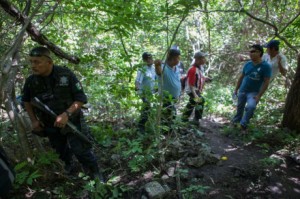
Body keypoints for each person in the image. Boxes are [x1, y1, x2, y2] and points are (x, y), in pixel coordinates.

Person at [22, 46, 103, 181]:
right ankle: (70, 170)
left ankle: (95, 173)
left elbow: (81, 98)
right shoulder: (31, 81)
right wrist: (34, 120)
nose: (33, 66)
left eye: (37, 62)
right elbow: (26, 101)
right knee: (60, 150)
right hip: (50, 123)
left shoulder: (65, 74)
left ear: (49, 62)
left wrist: (66, 114)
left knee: (81, 150)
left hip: (72, 120)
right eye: (31, 62)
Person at [232, 44, 272, 132]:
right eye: (250, 51)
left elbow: (266, 82)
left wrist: (259, 96)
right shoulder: (248, 64)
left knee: (251, 107)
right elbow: (241, 77)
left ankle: (243, 124)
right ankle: (235, 123)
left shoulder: (266, 66)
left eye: (253, 51)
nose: (250, 53)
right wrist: (236, 89)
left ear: (260, 53)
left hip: (254, 92)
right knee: (240, 107)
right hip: (243, 90)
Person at [154, 49, 181, 128]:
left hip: (174, 97)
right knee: (170, 114)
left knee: (170, 114)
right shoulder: (163, 67)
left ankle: (167, 130)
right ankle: (165, 132)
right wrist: (157, 65)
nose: (179, 60)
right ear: (172, 58)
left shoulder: (176, 68)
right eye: (178, 58)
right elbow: (159, 72)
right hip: (166, 97)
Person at [182, 52, 208, 124]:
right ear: (198, 60)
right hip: (192, 90)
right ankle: (196, 119)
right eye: (203, 58)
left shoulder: (199, 68)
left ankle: (184, 119)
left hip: (196, 90)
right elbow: (191, 83)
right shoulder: (193, 69)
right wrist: (195, 95)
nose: (204, 59)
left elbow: (199, 77)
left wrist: (205, 79)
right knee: (200, 100)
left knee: (192, 102)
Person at [135, 52, 156, 131]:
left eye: (150, 58)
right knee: (147, 108)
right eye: (147, 59)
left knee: (149, 109)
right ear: (144, 60)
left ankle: (148, 125)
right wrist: (137, 86)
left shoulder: (153, 68)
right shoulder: (142, 69)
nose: (150, 60)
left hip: (152, 92)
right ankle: (141, 126)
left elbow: (156, 78)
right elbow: (138, 80)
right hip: (144, 92)